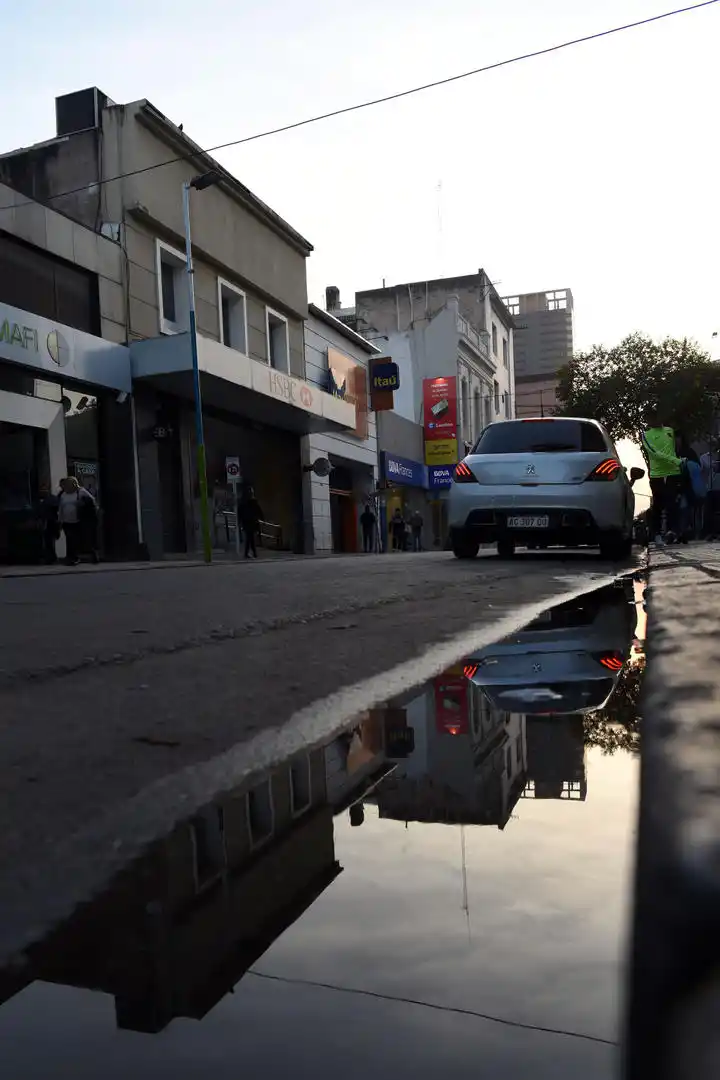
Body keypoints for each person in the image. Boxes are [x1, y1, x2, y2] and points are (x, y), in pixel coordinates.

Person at [642, 411, 684, 545]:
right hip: (657, 474)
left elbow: (676, 447)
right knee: (658, 504)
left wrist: (678, 460)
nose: (655, 420)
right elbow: (654, 453)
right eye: (651, 418)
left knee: (672, 502)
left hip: (673, 472)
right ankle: (657, 534)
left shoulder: (669, 431)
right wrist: (675, 460)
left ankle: (672, 532)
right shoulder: (646, 435)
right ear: (648, 421)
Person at [58, 477, 97, 565]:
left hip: (79, 520)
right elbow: (61, 508)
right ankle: (72, 557)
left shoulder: (81, 491)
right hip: (67, 521)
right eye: (66, 485)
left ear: (74, 484)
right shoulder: (63, 494)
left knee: (80, 539)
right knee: (70, 539)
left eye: (68, 484)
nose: (66, 487)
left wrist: (82, 503)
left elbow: (92, 500)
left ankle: (89, 555)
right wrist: (60, 520)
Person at [36, 484, 60, 564]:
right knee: (46, 541)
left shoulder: (53, 499)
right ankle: (49, 557)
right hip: (45, 522)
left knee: (50, 541)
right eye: (41, 490)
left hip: (51, 522)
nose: (43, 491)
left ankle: (52, 558)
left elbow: (57, 511)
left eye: (44, 490)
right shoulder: (41, 500)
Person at [239, 485, 263, 558]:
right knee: (250, 538)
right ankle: (251, 553)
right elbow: (258, 510)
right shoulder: (253, 502)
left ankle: (251, 553)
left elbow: (240, 512)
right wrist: (261, 517)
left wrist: (240, 521)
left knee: (250, 537)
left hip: (247, 522)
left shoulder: (244, 502)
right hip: (251, 522)